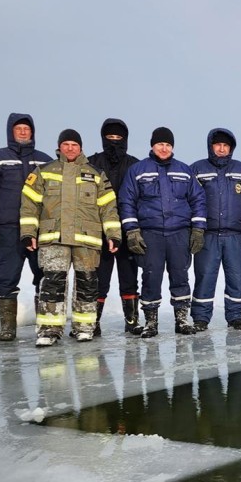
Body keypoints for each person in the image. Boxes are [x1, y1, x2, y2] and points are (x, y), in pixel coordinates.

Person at [19, 129, 122, 346]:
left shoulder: (95, 174)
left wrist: (113, 235)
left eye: (74, 144)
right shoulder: (43, 172)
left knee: (87, 284)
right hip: (53, 238)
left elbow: (109, 208)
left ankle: (84, 328)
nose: (70, 148)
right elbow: (29, 205)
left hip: (87, 240)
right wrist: (28, 233)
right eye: (65, 144)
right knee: (52, 284)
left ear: (81, 147)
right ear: (59, 147)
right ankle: (49, 330)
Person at [118, 127, 207, 338]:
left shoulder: (184, 170)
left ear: (172, 147)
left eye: (168, 144)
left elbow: (198, 200)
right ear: (152, 145)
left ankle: (182, 319)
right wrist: (132, 231)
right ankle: (151, 322)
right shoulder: (138, 170)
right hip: (150, 234)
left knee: (180, 275)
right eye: (160, 144)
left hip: (179, 233)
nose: (164, 148)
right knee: (151, 276)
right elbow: (127, 201)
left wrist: (198, 229)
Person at [0, 113, 52, 341]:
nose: (22, 132)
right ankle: (8, 327)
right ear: (11, 131)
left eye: (26, 129)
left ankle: (46, 324)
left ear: (33, 132)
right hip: (9, 228)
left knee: (45, 275)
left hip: (40, 230)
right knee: (7, 276)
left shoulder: (45, 161)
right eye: (18, 128)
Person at [190, 128, 241, 331]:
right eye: (218, 145)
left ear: (231, 148)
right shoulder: (197, 169)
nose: (222, 149)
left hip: (235, 235)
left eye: (226, 145)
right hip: (207, 235)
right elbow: (189, 200)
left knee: (237, 277)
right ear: (211, 146)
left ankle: (235, 316)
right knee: (205, 276)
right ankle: (200, 318)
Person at [86, 118, 141, 335]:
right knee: (99, 280)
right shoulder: (91, 163)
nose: (114, 141)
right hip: (99, 233)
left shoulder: (135, 165)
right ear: (102, 138)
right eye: (110, 137)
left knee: (129, 278)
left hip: (127, 231)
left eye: (119, 138)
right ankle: (93, 322)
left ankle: (132, 321)